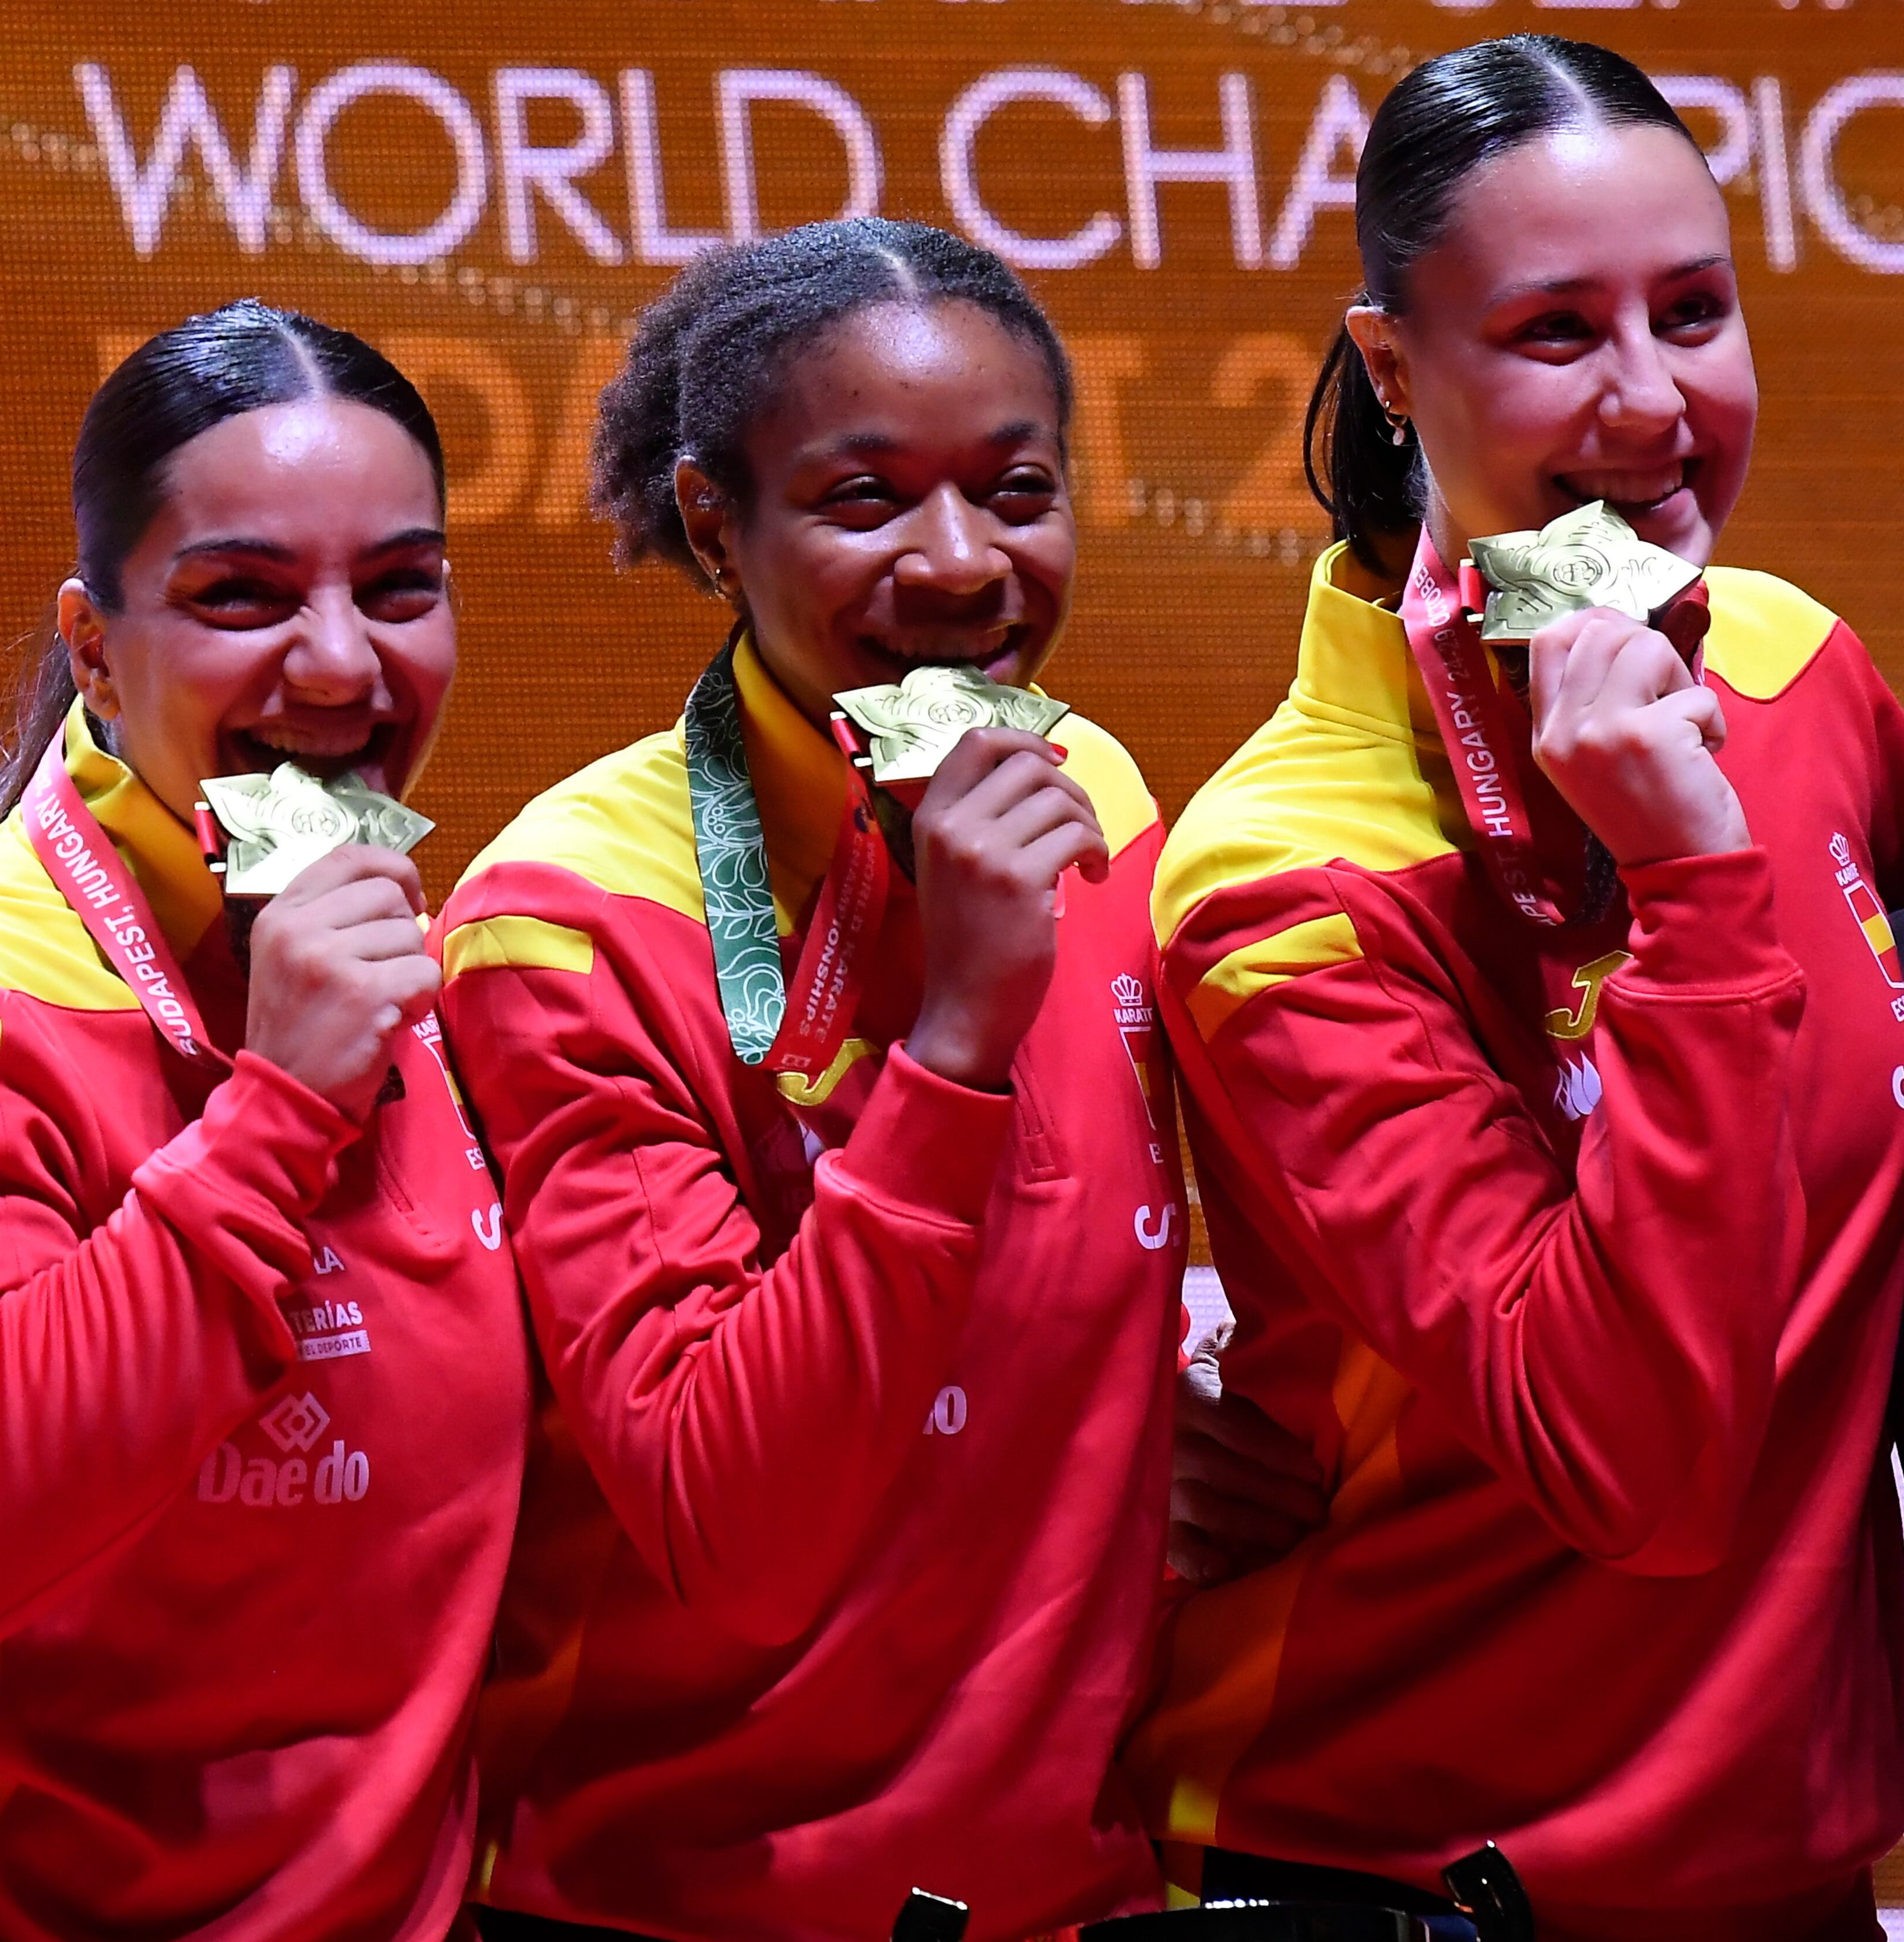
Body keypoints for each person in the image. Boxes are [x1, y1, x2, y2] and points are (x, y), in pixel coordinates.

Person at [1121, 36, 1904, 1937]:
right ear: (1395, 372)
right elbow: (1638, 1471)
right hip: (1408, 1876)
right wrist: (1694, 882)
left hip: (1790, 1870)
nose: (1655, 402)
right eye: (1559, 331)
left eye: (1694, 311)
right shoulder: (1286, 876)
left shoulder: (1805, 673)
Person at [431, 217, 1187, 1941]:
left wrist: (1172, 1434)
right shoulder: (568, 920)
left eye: (1016, 489)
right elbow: (732, 1518)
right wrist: (958, 1047)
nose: (960, 565)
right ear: (717, 521)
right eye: (865, 502)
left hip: (1081, 1901)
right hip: (672, 1913)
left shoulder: (1104, 797)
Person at [0, 301, 528, 1942]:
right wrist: (277, 1111)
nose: (340, 665)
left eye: (400, 589)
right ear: (95, 644)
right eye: (241, 597)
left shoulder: (428, 995)